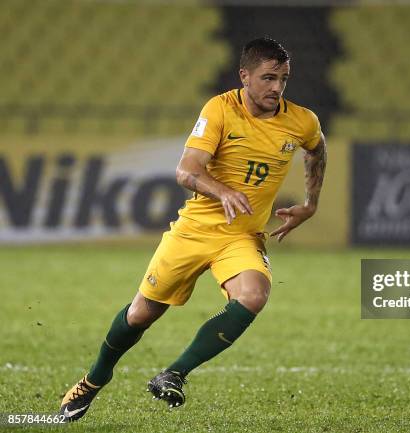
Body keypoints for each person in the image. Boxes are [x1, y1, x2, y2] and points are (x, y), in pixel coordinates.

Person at [59, 37, 327, 422]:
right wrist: (223, 190)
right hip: (195, 230)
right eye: (268, 78)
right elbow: (186, 170)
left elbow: (317, 148)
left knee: (253, 295)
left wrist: (311, 203)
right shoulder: (220, 109)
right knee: (140, 315)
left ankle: (174, 373)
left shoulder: (302, 120)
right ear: (244, 76)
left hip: (241, 235)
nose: (276, 88)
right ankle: (94, 379)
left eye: (283, 79)